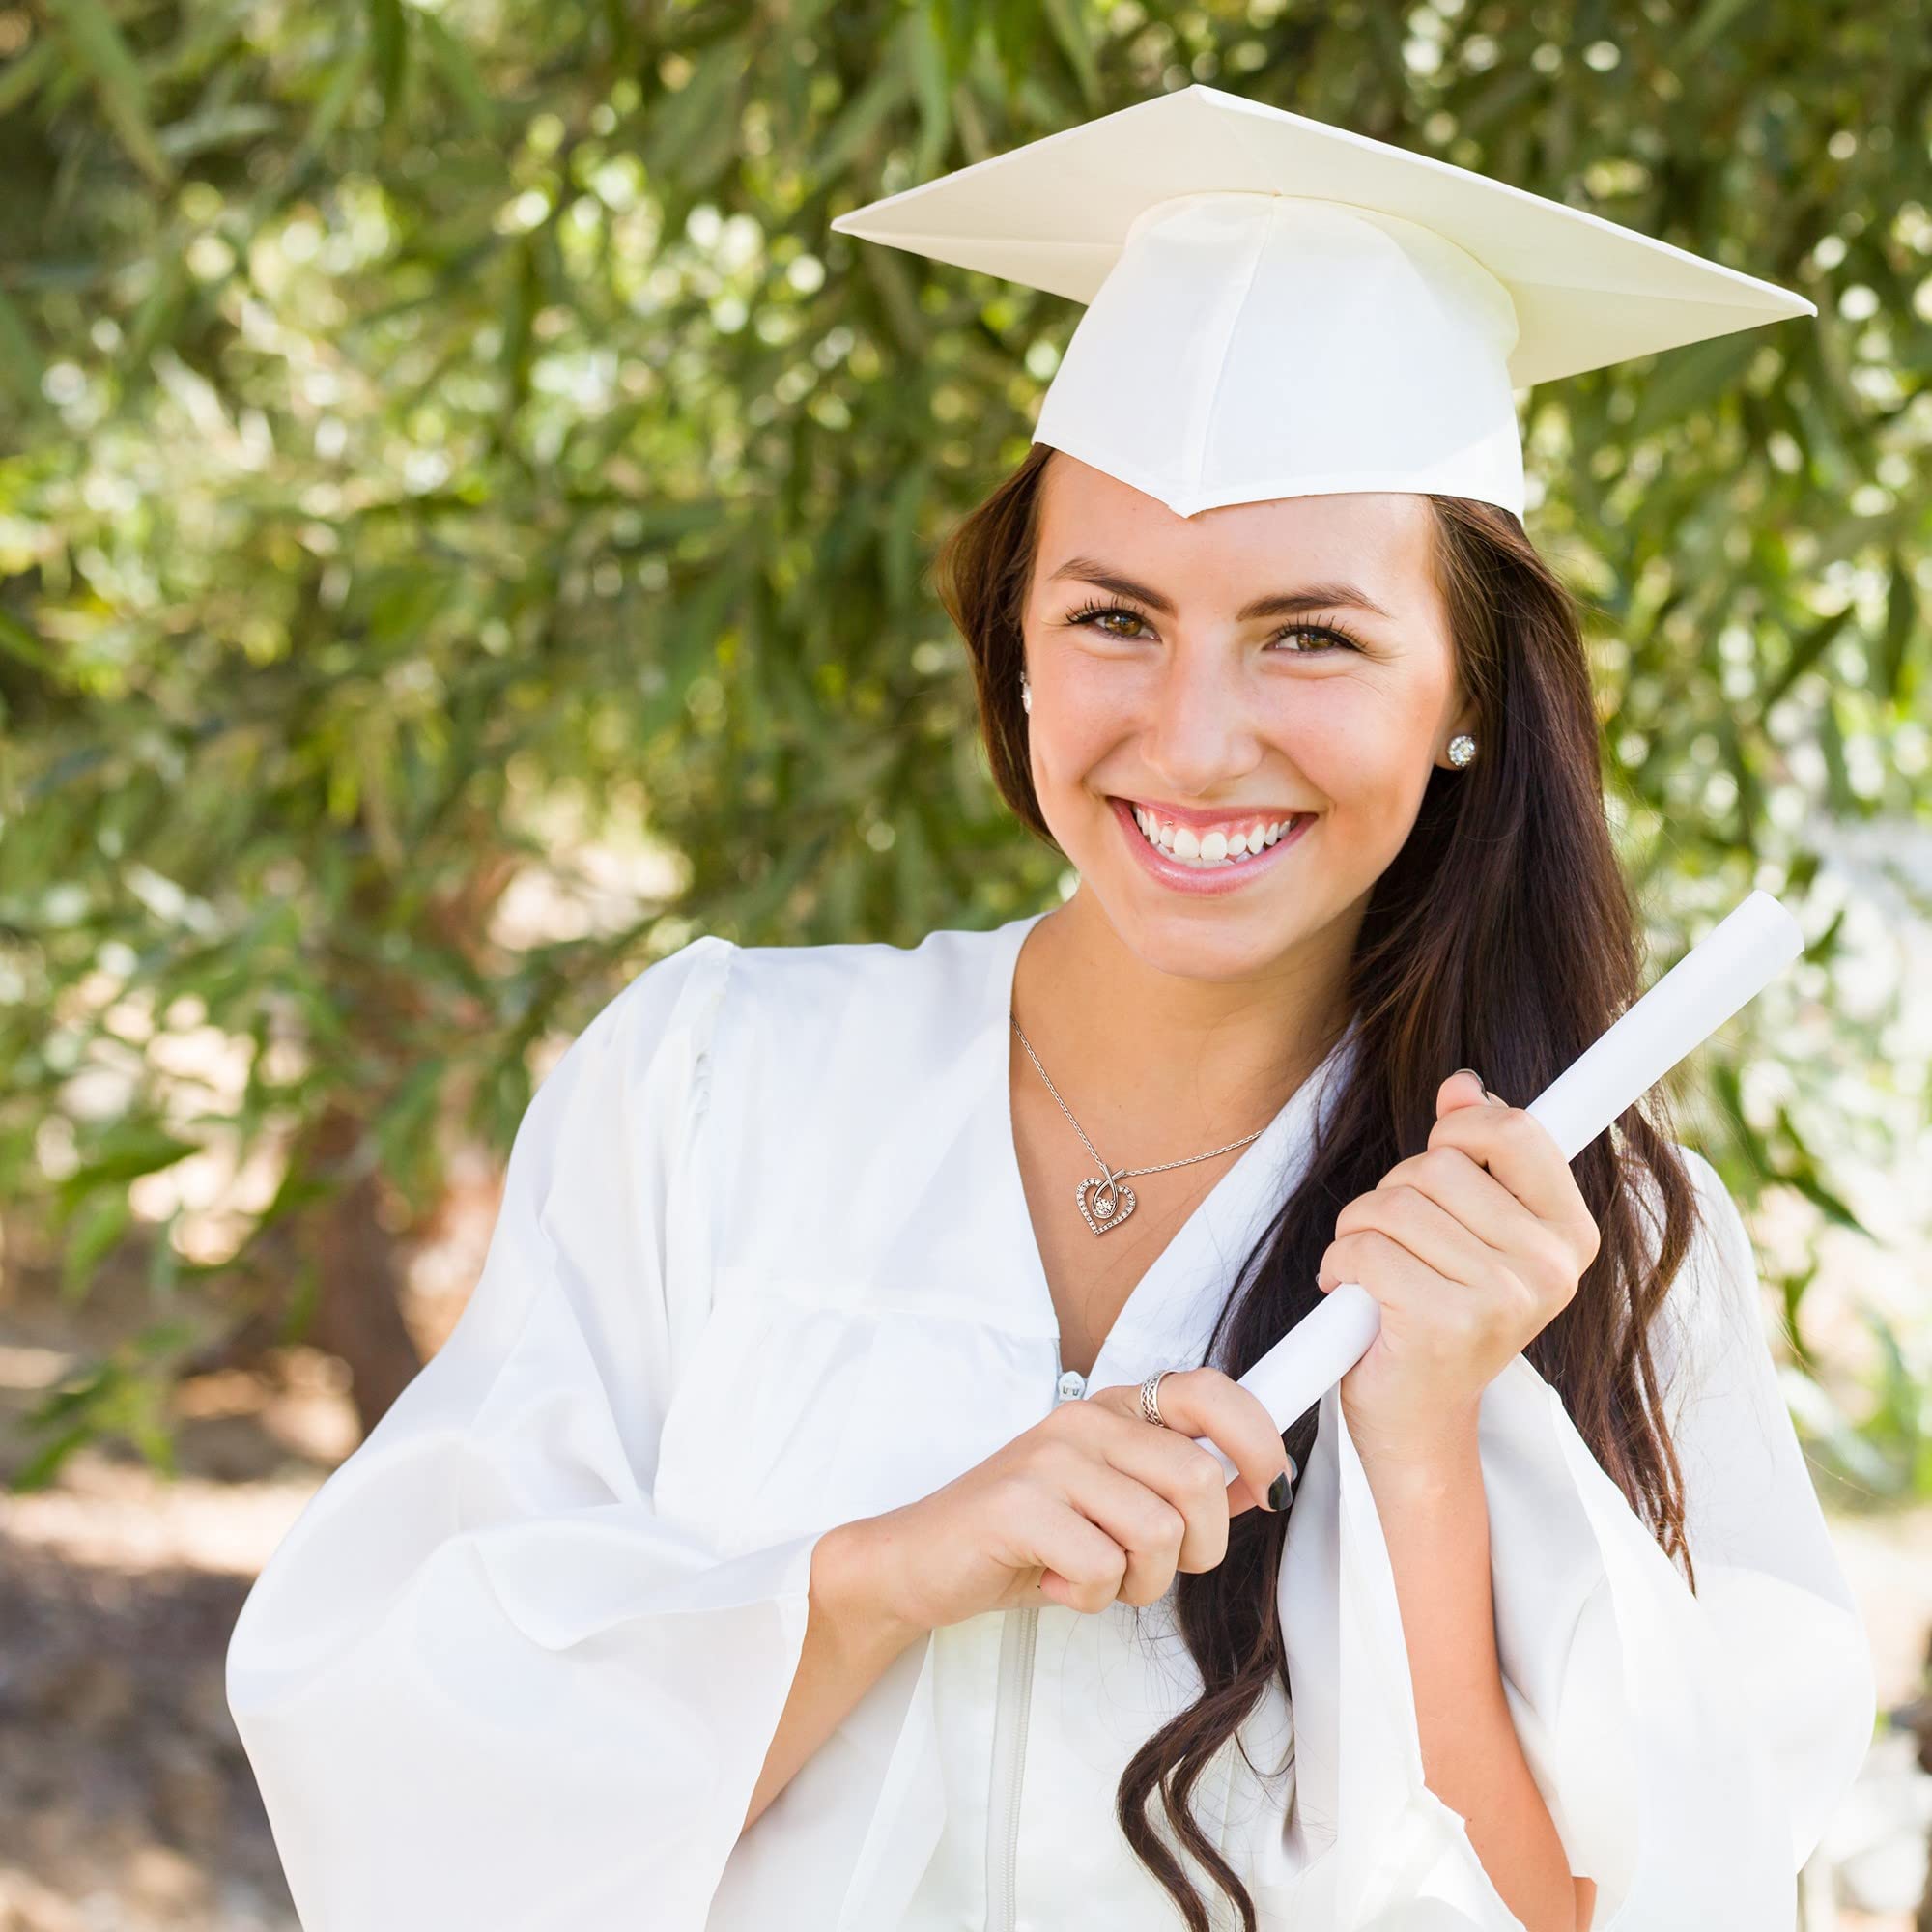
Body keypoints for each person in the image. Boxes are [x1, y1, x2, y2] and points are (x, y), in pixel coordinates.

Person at [225, 86, 1875, 1932]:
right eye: (1114, 618)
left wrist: (1425, 1441)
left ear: (1465, 694)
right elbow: (413, 1776)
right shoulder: (714, 1090)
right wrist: (866, 1581)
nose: (1189, 736)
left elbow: (1632, 1910)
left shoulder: (1591, 1246)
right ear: (1015, 639)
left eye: (1309, 635)